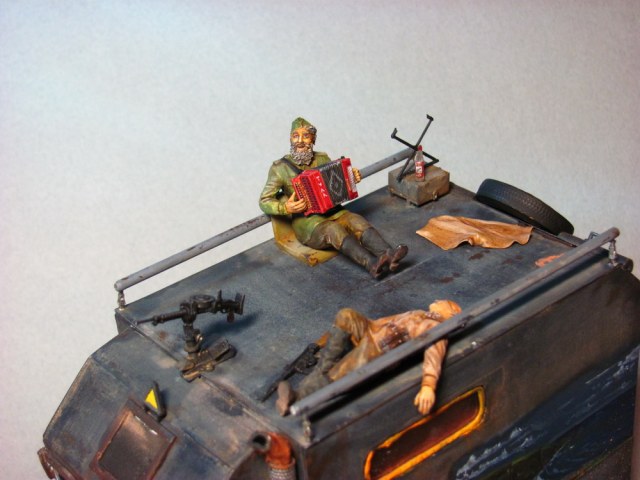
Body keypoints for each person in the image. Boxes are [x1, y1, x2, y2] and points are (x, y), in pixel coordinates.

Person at [259, 117, 408, 279]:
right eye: (295, 136)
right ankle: (372, 264)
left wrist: (351, 177)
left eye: (306, 136)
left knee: (356, 220)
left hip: (334, 212)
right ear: (290, 138)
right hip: (309, 223)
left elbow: (336, 182)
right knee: (333, 230)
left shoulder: (321, 158)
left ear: (313, 139)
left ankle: (389, 254)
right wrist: (285, 208)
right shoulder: (279, 168)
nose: (300, 141)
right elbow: (264, 200)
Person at [276, 299, 462, 416]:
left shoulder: (434, 327)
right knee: (346, 315)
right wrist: (366, 326)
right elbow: (387, 321)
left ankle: (297, 397)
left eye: (445, 302)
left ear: (451, 313)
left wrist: (428, 385)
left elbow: (434, 353)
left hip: (381, 349)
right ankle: (323, 368)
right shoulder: (420, 313)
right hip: (372, 330)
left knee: (342, 371)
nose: (438, 300)